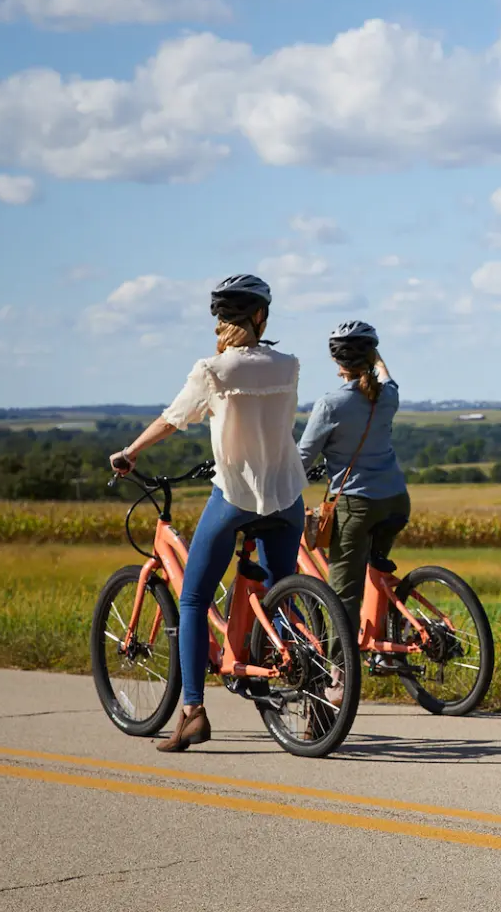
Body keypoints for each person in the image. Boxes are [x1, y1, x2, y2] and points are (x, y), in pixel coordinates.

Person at [108, 274, 308, 753]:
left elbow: (173, 418)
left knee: (194, 599)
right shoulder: (289, 364)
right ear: (261, 317)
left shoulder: (213, 370)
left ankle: (193, 712)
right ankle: (317, 685)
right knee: (284, 594)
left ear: (221, 319)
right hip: (288, 495)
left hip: (236, 495)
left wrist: (131, 450)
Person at [297, 321, 409, 629]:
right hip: (396, 500)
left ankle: (340, 670)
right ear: (372, 355)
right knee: (377, 570)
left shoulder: (331, 404)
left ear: (335, 360)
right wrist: (376, 359)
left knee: (343, 593)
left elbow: (303, 458)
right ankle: (384, 644)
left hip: (355, 505)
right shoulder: (387, 396)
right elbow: (387, 377)